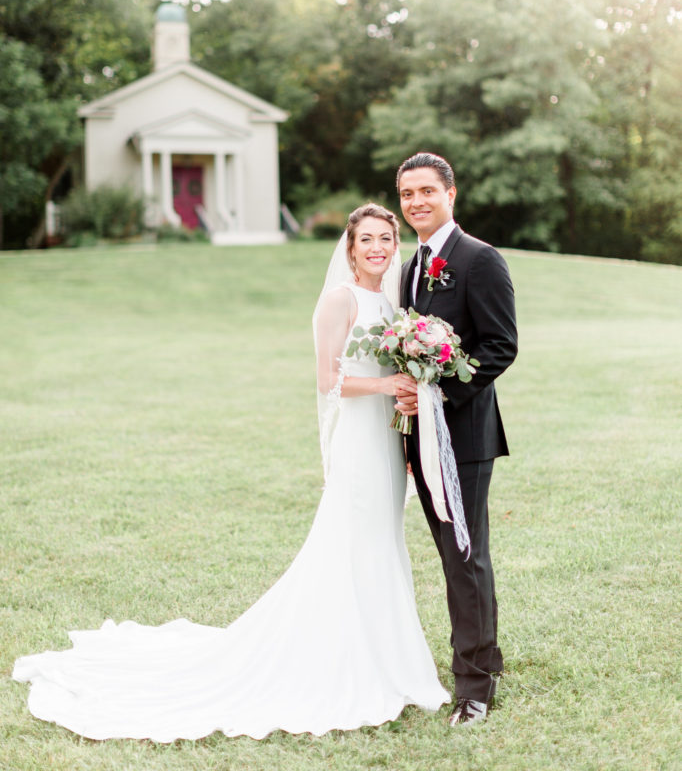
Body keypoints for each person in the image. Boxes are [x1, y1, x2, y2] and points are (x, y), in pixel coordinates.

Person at [12, 203, 449, 742]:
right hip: (357, 444)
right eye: (368, 240)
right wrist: (385, 387)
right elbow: (326, 379)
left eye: (387, 238)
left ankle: (390, 659)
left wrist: (406, 395)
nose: (379, 247)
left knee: (383, 543)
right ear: (351, 247)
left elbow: (393, 369)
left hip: (386, 441)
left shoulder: (390, 303)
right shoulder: (340, 300)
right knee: (351, 544)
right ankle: (341, 661)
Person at [393, 153, 518, 726]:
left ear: (451, 193)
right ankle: (484, 657)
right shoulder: (411, 266)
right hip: (418, 436)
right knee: (454, 555)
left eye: (425, 191)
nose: (415, 202)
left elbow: (499, 346)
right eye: (405, 193)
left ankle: (474, 686)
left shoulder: (478, 259)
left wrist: (437, 392)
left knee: (464, 558)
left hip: (462, 437)